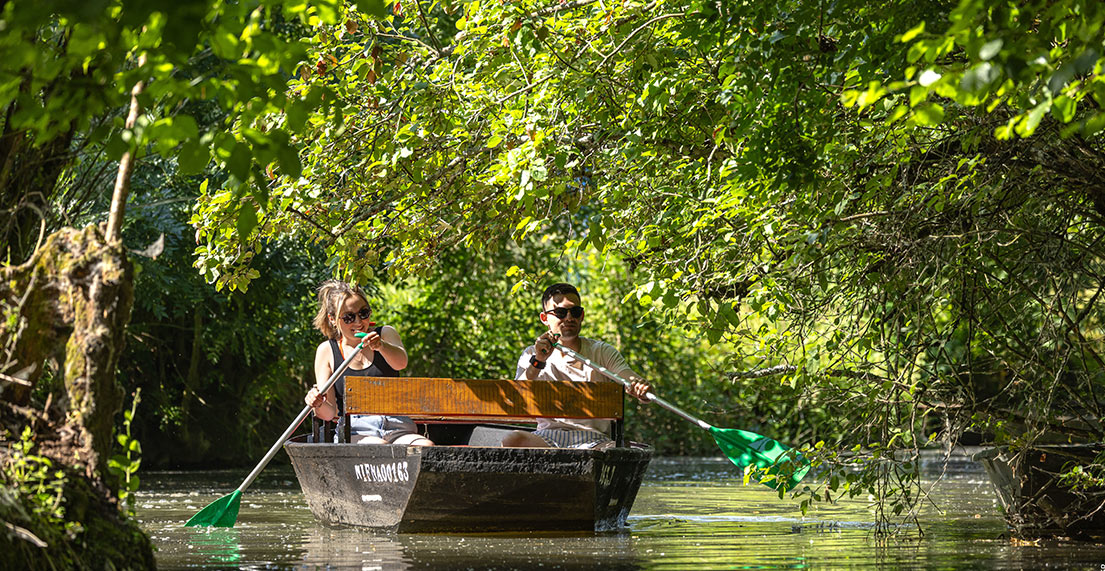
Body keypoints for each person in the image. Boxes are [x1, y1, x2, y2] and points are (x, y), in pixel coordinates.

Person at [501, 283, 651, 449]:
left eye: (575, 312)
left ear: (582, 316)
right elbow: (515, 396)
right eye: (561, 312)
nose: (569, 318)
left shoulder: (602, 351)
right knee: (511, 440)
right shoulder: (531, 355)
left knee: (610, 450)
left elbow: (628, 376)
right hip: (547, 437)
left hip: (595, 440)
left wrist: (640, 387)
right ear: (544, 318)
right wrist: (538, 361)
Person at [304, 280, 433, 446]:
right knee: (379, 448)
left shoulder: (385, 334)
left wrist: (381, 346)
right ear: (333, 319)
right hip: (356, 429)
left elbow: (401, 363)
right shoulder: (327, 351)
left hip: (395, 424)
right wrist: (317, 402)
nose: (358, 322)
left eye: (363, 313)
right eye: (349, 317)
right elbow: (329, 414)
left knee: (425, 447)